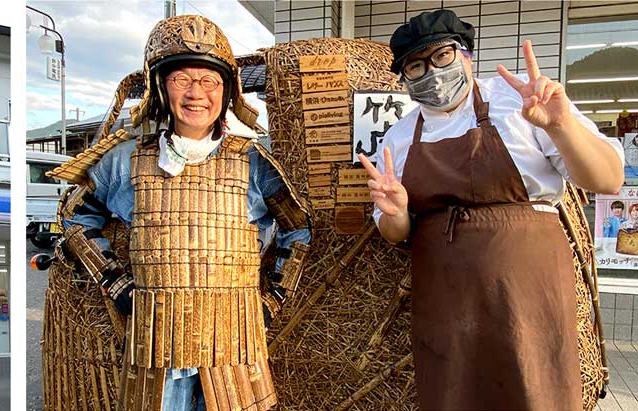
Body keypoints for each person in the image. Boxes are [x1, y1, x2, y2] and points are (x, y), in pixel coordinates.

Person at [358, 9, 624, 411]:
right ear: (404, 78)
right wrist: (397, 212)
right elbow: (395, 232)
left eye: (442, 56)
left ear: (466, 55)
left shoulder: (517, 102)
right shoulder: (398, 137)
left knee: (537, 389)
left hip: (527, 288)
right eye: (415, 66)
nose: (431, 72)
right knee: (451, 394)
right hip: (444, 298)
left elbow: (607, 180)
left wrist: (560, 126)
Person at [49, 15, 311, 411]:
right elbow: (75, 217)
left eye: (210, 81)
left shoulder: (254, 161)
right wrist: (116, 286)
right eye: (181, 79)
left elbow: (298, 229)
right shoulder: (125, 161)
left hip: (234, 341)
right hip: (155, 343)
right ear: (160, 86)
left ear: (227, 91)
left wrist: (271, 298)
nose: (196, 93)